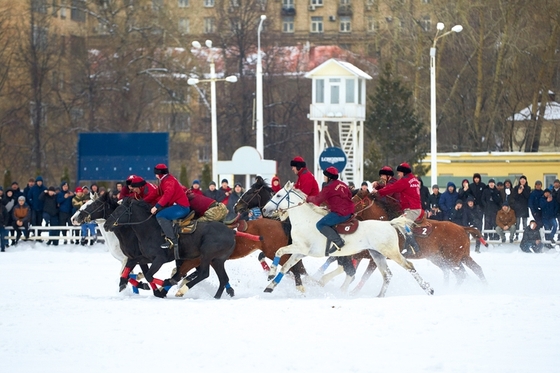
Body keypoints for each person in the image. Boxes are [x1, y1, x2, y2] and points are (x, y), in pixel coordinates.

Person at [371, 162, 422, 254]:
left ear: (404, 172)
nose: (398, 174)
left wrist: (378, 193)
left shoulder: (405, 181)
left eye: (399, 172)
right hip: (414, 207)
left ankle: (413, 247)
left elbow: (392, 188)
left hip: (411, 209)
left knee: (403, 225)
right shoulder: (413, 179)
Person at [307, 166, 354, 255]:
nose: (324, 178)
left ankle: (338, 241)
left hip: (340, 213)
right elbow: (349, 195)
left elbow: (317, 200)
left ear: (329, 177)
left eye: (325, 176)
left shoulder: (329, 187)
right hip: (349, 211)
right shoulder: (343, 184)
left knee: (320, 224)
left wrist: (307, 199)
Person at [151, 164, 191, 249]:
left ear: (160, 173)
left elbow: (167, 195)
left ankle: (172, 240)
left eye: (156, 173)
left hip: (182, 207)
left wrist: (156, 206)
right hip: (178, 206)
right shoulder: (166, 180)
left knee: (160, 215)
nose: (155, 175)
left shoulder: (169, 181)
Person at [511, 175, 530, 241]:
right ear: (519, 181)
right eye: (521, 179)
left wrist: (523, 190)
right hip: (517, 207)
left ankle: (525, 236)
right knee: (517, 223)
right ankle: (516, 236)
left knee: (525, 223)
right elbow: (514, 197)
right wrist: (518, 192)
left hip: (524, 207)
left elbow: (527, 196)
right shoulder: (516, 188)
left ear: (526, 181)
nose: (522, 181)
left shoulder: (528, 188)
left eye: (524, 180)